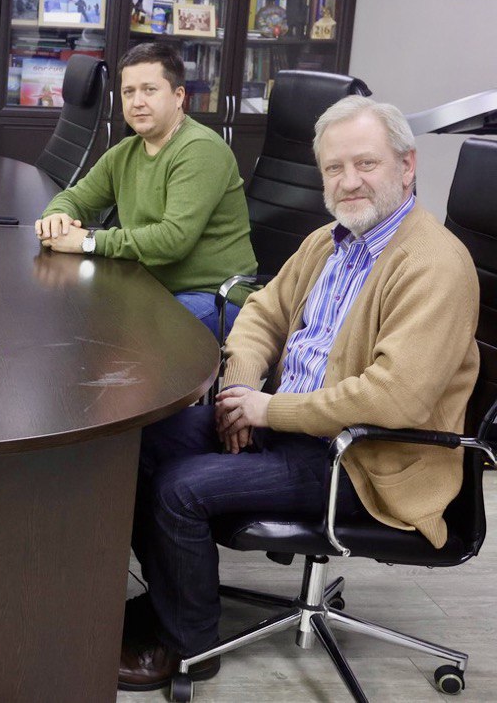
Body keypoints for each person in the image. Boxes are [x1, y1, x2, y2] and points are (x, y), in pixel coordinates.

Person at [120, 96, 480, 692]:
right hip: (288, 424)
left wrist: (269, 409)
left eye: (366, 163)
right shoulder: (330, 241)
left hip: (364, 458)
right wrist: (240, 388)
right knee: (142, 442)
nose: (349, 181)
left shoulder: (434, 264)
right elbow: (263, 311)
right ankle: (168, 602)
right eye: (334, 168)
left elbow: (395, 398)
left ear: (407, 165)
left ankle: (189, 646)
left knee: (180, 488)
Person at [34, 42, 256, 335]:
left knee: (127, 336)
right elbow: (75, 197)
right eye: (129, 92)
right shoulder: (126, 152)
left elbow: (173, 240)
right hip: (149, 284)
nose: (137, 101)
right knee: (74, 314)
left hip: (213, 296)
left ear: (179, 96)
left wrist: (88, 241)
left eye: (149, 90)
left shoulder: (200, 149)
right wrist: (57, 217)